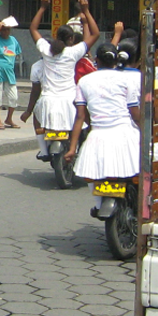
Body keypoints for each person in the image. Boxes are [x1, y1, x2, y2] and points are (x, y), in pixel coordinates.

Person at [64, 44, 140, 217]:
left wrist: (72, 148)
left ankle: (98, 205)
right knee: (138, 171)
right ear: (116, 60)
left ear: (96, 60)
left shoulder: (84, 81)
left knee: (92, 172)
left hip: (97, 135)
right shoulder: (126, 80)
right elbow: (135, 114)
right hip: (124, 134)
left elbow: (80, 117)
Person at [29, 0, 100, 161]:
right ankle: (77, 149)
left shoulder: (46, 51)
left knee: (37, 118)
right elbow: (95, 34)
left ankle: (44, 150)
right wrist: (86, 11)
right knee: (84, 121)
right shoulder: (73, 52)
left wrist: (42, 7)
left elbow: (33, 29)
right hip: (69, 101)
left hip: (47, 100)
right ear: (70, 39)